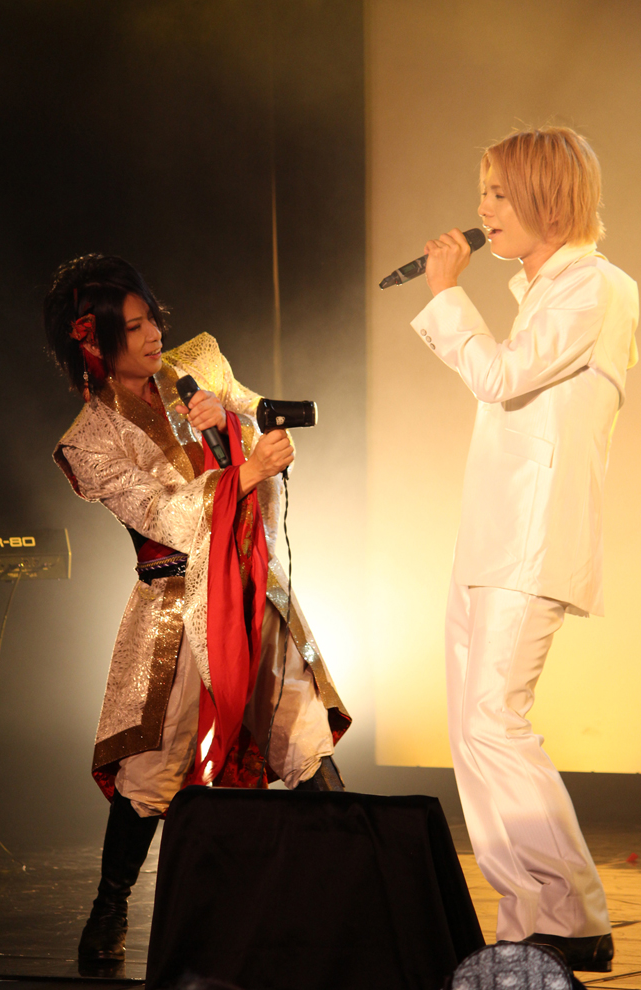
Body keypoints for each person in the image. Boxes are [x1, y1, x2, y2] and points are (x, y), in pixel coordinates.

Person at [44, 254, 350, 964]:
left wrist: (233, 423)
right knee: (153, 769)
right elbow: (163, 515)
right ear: (95, 344)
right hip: (174, 612)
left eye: (151, 317)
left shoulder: (199, 364)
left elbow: (265, 424)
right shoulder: (90, 440)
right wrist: (241, 467)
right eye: (132, 327)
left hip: (250, 588)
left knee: (304, 735)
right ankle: (110, 905)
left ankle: (353, 884)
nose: (153, 333)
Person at [408, 127, 638, 972]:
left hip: (531, 538)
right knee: (473, 732)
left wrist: (445, 294)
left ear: (552, 200)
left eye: (500, 193)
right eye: (484, 192)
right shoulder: (542, 289)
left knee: (495, 721)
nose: (483, 209)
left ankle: (572, 914)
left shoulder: (596, 287)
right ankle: (530, 911)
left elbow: (501, 376)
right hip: (490, 535)